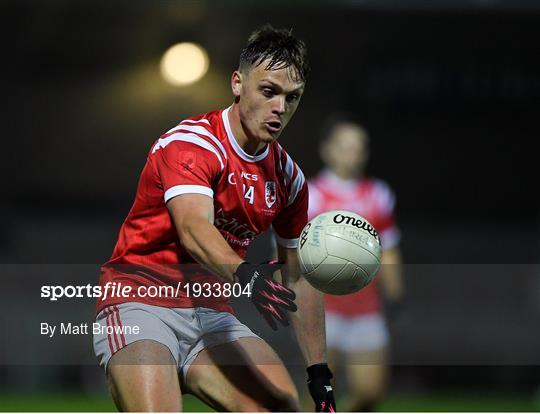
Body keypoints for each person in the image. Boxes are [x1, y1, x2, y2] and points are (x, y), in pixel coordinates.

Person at [92, 25, 336, 412]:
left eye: (293, 98)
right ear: (238, 84)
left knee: (281, 406)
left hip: (211, 314)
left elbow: (298, 275)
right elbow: (193, 228)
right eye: (268, 91)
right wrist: (245, 275)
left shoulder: (289, 178)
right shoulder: (193, 142)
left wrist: (319, 373)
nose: (280, 108)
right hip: (142, 300)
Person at [308, 118, 405, 412]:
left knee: (372, 391)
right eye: (346, 146)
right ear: (327, 150)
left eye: (359, 147)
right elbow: (293, 250)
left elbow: (388, 247)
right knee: (323, 394)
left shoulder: (378, 194)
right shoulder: (311, 195)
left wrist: (396, 291)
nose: (354, 153)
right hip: (325, 310)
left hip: (366, 308)